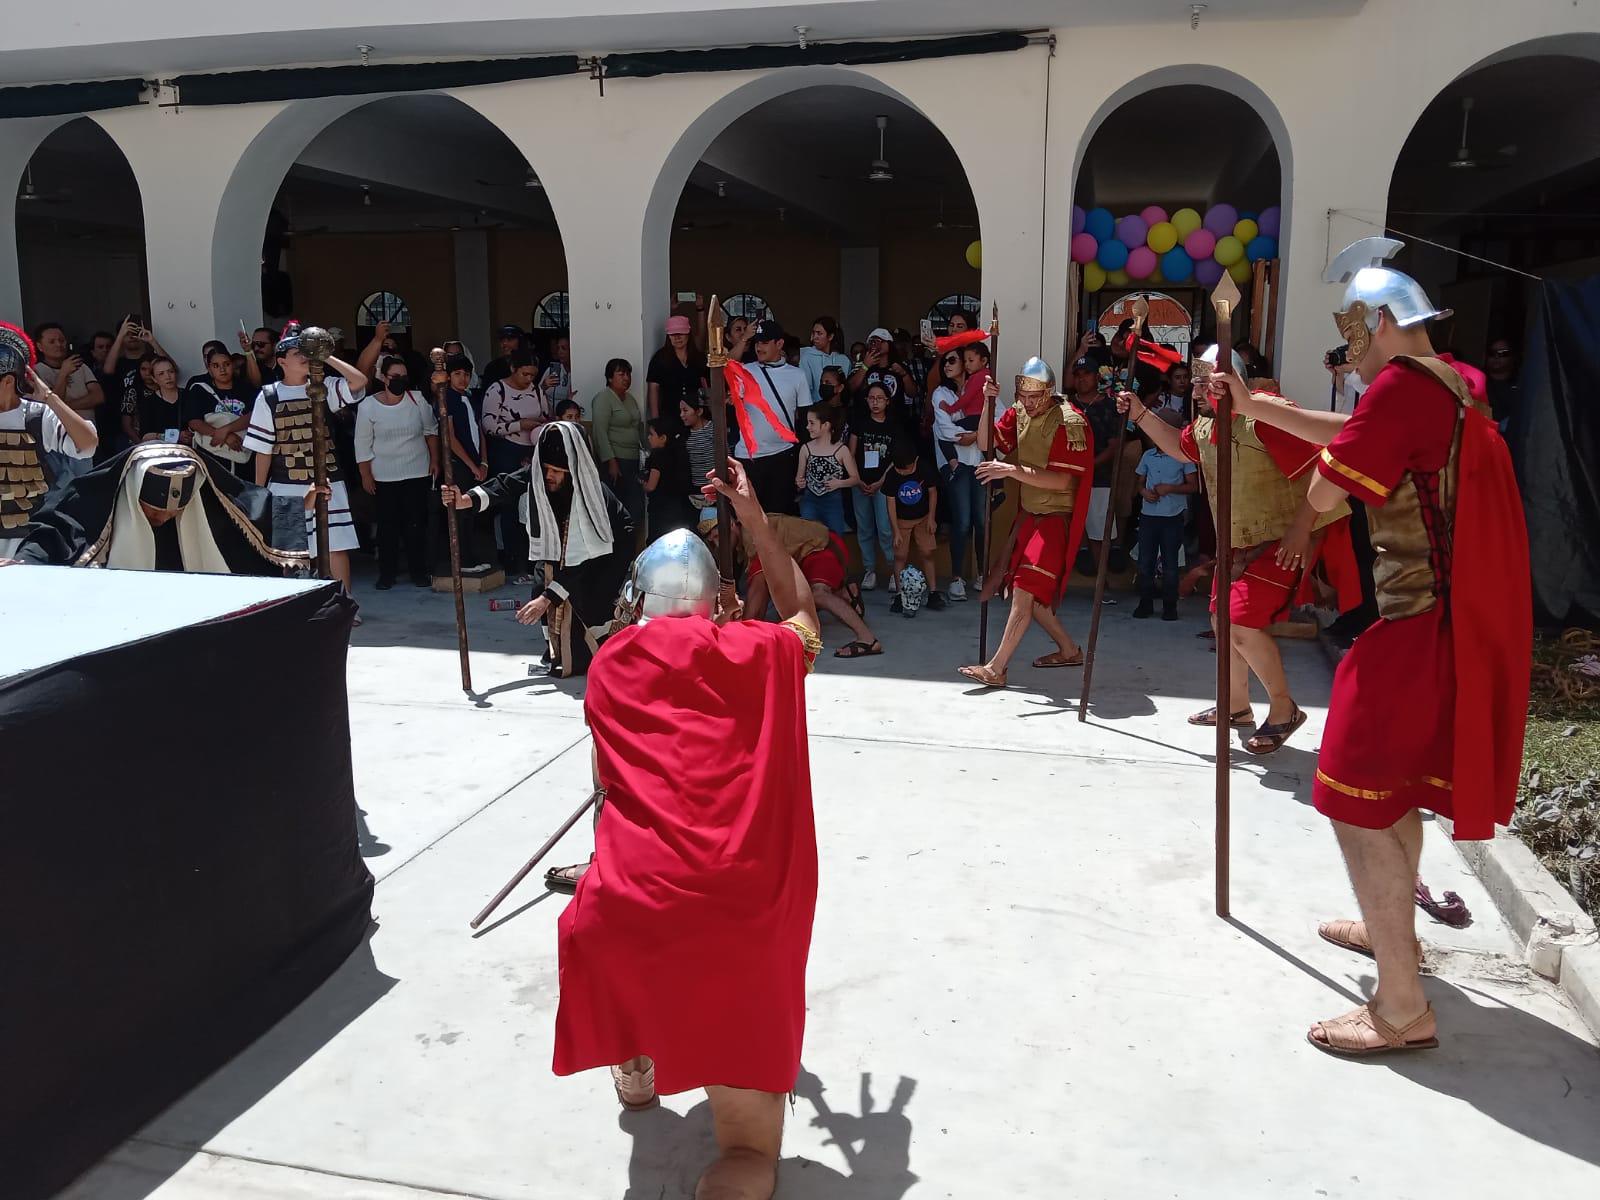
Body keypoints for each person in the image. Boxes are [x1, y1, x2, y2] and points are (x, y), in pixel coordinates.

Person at [1236, 237, 1530, 1056]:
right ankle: (1388, 926)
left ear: (1376, 325)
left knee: (1353, 798)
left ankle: (1400, 1006)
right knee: (1389, 793)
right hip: (1437, 622)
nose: (1348, 361)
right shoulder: (1454, 383)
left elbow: (1330, 485)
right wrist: (1259, 411)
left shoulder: (1400, 389)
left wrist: (1281, 443)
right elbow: (1359, 427)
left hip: (1414, 627)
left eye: (1350, 342)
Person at [550, 499, 820, 1200]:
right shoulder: (761, 651)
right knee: (747, 1155)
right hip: (739, 918)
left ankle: (636, 1066)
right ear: (715, 604)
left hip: (632, 904)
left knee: (624, 921)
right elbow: (802, 612)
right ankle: (737, 1166)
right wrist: (756, 521)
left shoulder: (610, 662)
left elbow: (611, 789)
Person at [1119, 343, 1358, 750]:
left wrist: (1303, 529)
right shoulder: (1208, 424)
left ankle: (1284, 709)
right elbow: (1181, 448)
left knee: (1241, 624)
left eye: (1203, 383)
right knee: (1222, 622)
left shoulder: (1263, 416)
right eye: (1194, 384)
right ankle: (1236, 706)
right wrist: (1140, 413)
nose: (1195, 392)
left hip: (1282, 540)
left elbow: (1329, 465)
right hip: (1239, 544)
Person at [441, 422, 633, 678]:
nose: (549, 476)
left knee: (584, 603)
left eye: (557, 471)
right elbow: (506, 485)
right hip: (558, 550)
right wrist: (465, 500)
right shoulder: (541, 475)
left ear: (572, 473)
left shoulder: (590, 498)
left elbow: (580, 563)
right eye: (546, 469)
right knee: (541, 585)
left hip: (604, 554)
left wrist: (546, 600)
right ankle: (555, 650)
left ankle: (593, 654)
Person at [958, 357, 1094, 689]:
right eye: (1024, 396)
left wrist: (1012, 471)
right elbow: (985, 443)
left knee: (1024, 589)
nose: (1029, 403)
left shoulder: (1069, 421)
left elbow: (1062, 481)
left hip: (1055, 519)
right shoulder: (1018, 411)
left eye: (1036, 397)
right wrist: (988, 403)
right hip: (1031, 516)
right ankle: (1069, 649)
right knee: (1035, 598)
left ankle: (997, 667)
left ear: (1049, 392)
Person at [13, 442, 314, 573]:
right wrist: (26, 562)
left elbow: (250, 508)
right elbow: (55, 532)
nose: (162, 518)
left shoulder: (202, 508)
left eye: (173, 513)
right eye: (153, 511)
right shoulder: (96, 503)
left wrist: (299, 507)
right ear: (131, 494)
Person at [241, 322, 368, 595]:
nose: (304, 357)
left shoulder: (323, 386)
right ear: (281, 360)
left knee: (336, 545)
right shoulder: (269, 396)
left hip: (328, 479)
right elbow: (264, 449)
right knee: (291, 549)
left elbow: (359, 382)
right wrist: (260, 492)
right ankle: (297, 604)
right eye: (298, 352)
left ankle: (345, 602)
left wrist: (325, 356)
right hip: (286, 482)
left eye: (307, 352)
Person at [0, 322, 97, 558]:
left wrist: (49, 397)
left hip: (31, 544)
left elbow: (88, 445)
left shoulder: (35, 416)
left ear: (8, 381)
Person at [735, 511, 880, 659]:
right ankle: (844, 593)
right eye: (711, 540)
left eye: (716, 536)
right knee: (799, 602)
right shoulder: (747, 530)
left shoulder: (752, 536)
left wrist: (737, 638)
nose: (716, 543)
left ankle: (868, 639)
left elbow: (755, 606)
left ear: (732, 525)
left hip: (824, 546)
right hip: (812, 551)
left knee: (818, 595)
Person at [355, 356, 440, 590]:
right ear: (384, 378)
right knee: (387, 528)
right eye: (395, 377)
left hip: (417, 471)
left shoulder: (418, 400)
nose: (400, 381)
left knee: (416, 525)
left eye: (404, 377)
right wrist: (365, 475)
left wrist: (435, 460)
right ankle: (387, 574)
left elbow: (430, 431)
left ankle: (418, 572)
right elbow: (362, 444)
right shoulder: (368, 406)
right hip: (383, 475)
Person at [481, 350, 552, 580]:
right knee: (509, 506)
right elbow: (488, 425)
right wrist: (519, 424)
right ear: (513, 369)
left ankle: (534, 560)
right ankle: (512, 559)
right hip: (506, 451)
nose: (529, 379)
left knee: (533, 505)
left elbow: (545, 416)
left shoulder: (537, 391)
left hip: (532, 451)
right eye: (525, 374)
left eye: (533, 375)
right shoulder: (497, 390)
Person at [728, 318, 806, 515]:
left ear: (779, 344)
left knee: (779, 516)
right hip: (749, 457)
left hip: (783, 455)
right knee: (748, 515)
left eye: (764, 342)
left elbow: (805, 417)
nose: (758, 347)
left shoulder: (798, 375)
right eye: (756, 342)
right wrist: (744, 338)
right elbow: (725, 365)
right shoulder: (745, 370)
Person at [1131, 408, 1197, 620]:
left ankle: (1170, 605)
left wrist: (1170, 488)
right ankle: (1146, 603)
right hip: (1149, 515)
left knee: (1170, 564)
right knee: (1145, 561)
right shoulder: (1148, 456)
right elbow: (1138, 481)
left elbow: (1193, 486)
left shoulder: (1183, 457)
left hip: (1172, 516)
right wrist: (1143, 492)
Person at [931, 344, 984, 600]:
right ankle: (956, 578)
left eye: (953, 360)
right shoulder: (941, 393)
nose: (947, 365)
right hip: (957, 466)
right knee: (962, 522)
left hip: (980, 463)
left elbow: (1000, 419)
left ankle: (982, 575)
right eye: (945, 362)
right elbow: (945, 430)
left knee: (983, 522)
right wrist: (976, 435)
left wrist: (975, 435)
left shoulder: (982, 386)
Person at [1075, 356, 1128, 575]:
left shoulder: (1109, 406)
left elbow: (1114, 446)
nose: (1081, 379)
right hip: (1069, 478)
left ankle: (1102, 585)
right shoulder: (1067, 406)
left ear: (1096, 376)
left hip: (1099, 478)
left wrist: (1090, 467)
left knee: (1099, 534)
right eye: (1077, 375)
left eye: (1086, 374)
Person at [440, 353, 491, 571]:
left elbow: (480, 430)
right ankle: (462, 562)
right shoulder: (447, 398)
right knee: (459, 513)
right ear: (449, 376)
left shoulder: (471, 397)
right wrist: (472, 465)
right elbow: (450, 437)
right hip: (459, 463)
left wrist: (484, 463)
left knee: (475, 511)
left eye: (466, 374)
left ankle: (476, 557)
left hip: (477, 463)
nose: (462, 379)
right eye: (457, 374)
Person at [848, 379, 900, 591]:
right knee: (865, 528)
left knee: (885, 528)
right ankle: (870, 570)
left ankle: (892, 569)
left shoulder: (894, 425)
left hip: (884, 485)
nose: (875, 402)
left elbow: (896, 458)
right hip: (859, 482)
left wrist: (880, 482)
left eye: (879, 398)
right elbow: (850, 454)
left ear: (888, 401)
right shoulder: (859, 423)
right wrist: (857, 479)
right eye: (871, 398)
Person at [885, 440, 944, 613]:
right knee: (900, 557)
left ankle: (933, 593)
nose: (903, 473)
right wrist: (895, 531)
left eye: (907, 469)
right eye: (900, 470)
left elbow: (933, 492)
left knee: (927, 553)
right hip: (901, 521)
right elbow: (890, 504)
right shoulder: (892, 476)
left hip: (923, 518)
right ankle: (899, 595)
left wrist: (932, 518)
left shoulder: (924, 468)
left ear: (916, 461)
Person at [590, 357, 646, 534]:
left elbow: (639, 427)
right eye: (621, 374)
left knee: (635, 506)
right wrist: (611, 461)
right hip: (616, 459)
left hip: (634, 459)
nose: (626, 378)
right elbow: (600, 432)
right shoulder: (603, 398)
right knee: (617, 507)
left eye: (628, 374)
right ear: (609, 377)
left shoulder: (629, 399)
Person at [184, 343, 256, 477]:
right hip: (212, 455)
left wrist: (226, 429)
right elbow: (194, 421)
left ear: (232, 365)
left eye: (226, 364)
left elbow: (253, 415)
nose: (222, 369)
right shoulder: (199, 389)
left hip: (243, 453)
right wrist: (223, 435)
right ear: (210, 369)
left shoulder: (245, 387)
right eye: (216, 366)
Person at [794, 404, 857, 534]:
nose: (807, 427)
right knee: (809, 539)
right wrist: (800, 483)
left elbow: (855, 479)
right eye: (807, 423)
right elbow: (799, 479)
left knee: (836, 539)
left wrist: (839, 483)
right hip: (810, 500)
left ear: (826, 425)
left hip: (833, 501)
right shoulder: (806, 448)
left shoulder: (841, 450)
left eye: (812, 423)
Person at [646, 315, 709, 434]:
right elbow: (653, 389)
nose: (677, 337)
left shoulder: (699, 358)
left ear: (688, 334)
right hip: (670, 416)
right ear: (668, 336)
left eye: (681, 333)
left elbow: (706, 386)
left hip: (696, 417)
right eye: (673, 334)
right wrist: (655, 421)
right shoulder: (660, 358)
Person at [31, 323, 102, 418]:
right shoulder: (36, 372)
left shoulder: (80, 366)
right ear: (40, 346)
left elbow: (98, 397)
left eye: (62, 340)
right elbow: (50, 406)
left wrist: (64, 406)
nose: (59, 344)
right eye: (52, 342)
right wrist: (63, 373)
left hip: (87, 428)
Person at [643, 417, 694, 542]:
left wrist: (642, 484)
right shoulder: (679, 454)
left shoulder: (657, 456)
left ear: (663, 438)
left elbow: (651, 486)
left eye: (652, 434)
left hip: (660, 508)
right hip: (677, 508)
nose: (649, 438)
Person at [679, 396, 718, 526]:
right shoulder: (683, 436)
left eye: (685, 410)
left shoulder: (714, 429)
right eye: (680, 411)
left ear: (699, 411)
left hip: (715, 488)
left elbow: (726, 454)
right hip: (695, 492)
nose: (682, 415)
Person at [798, 316, 851, 405]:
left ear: (830, 336)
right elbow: (805, 390)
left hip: (839, 409)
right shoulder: (806, 357)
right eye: (813, 333)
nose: (815, 337)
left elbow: (846, 389)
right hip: (815, 409)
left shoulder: (844, 360)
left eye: (819, 333)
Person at [137, 356, 188, 445]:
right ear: (154, 379)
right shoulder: (149, 402)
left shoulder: (189, 396)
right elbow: (145, 436)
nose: (168, 377)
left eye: (171, 371)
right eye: (161, 374)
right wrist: (173, 437)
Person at [1484, 335, 1518, 426]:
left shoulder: (1522, 386)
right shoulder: (1477, 383)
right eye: (1492, 353)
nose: (1496, 357)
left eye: (1503, 353)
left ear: (1513, 357)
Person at [480, 325, 528, 390]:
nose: (504, 343)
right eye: (502, 340)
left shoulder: (530, 366)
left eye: (509, 339)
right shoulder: (492, 367)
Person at [540, 332, 573, 413]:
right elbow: (535, 394)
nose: (560, 352)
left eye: (564, 348)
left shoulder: (578, 372)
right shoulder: (551, 370)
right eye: (558, 348)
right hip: (549, 418)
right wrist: (543, 386)